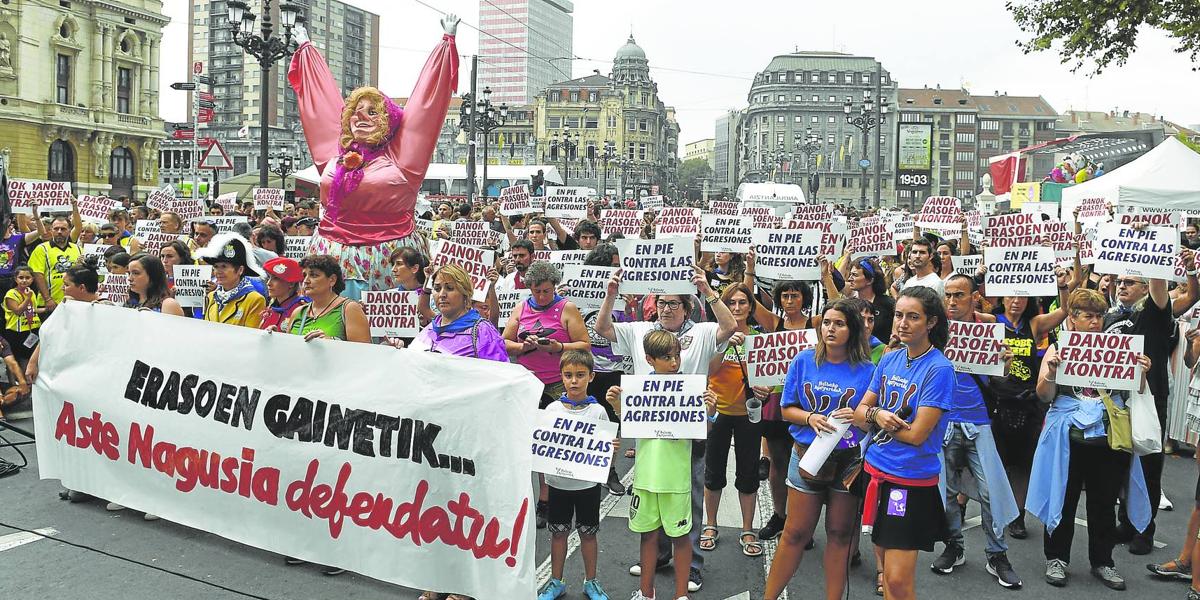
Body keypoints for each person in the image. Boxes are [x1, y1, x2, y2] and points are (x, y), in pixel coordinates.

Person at [288, 13, 460, 297]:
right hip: (330, 257)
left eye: (372, 111)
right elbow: (320, 104)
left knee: (385, 336)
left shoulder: (404, 158)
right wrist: (306, 51)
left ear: (388, 120)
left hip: (389, 260)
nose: (361, 116)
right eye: (356, 111)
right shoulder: (336, 154)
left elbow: (426, 108)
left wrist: (445, 45)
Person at [595, 266, 736, 594]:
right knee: (653, 497)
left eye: (674, 304)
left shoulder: (701, 332)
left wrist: (708, 290)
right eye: (661, 303)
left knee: (691, 500)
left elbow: (729, 326)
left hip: (688, 435)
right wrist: (611, 294)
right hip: (650, 436)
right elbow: (602, 329)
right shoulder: (640, 330)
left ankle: (693, 567)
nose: (666, 309)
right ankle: (657, 558)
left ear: (687, 308)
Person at [1027, 288, 1153, 591]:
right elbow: (1044, 395)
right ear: (1073, 318)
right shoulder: (1059, 348)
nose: (1095, 322)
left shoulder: (1119, 351)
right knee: (1063, 498)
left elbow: (1132, 391)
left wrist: (1142, 372)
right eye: (1088, 316)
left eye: (1099, 316)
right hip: (1068, 440)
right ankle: (1056, 558)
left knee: (1104, 503)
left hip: (1107, 440)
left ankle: (1103, 561)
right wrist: (1052, 372)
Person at [763, 298, 875, 600]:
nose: (831, 329)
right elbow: (786, 409)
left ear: (852, 329)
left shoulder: (868, 370)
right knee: (795, 533)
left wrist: (859, 416)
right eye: (826, 322)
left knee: (839, 535)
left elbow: (869, 422)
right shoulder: (803, 360)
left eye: (839, 323)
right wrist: (811, 417)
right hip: (806, 455)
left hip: (848, 459)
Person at [852, 286, 956, 600]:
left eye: (913, 317)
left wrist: (876, 417)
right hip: (875, 473)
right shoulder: (890, 359)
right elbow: (858, 414)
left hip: (908, 481)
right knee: (884, 571)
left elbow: (916, 435)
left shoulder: (940, 369)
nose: (903, 323)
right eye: (899, 315)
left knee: (897, 581)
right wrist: (877, 414)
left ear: (931, 323)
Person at [931, 274, 1022, 588]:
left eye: (960, 295)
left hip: (978, 421)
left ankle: (997, 554)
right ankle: (954, 546)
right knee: (944, 493)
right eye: (949, 295)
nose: (953, 301)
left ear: (974, 298)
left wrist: (1005, 365)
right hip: (941, 422)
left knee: (990, 492)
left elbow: (999, 381)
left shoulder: (990, 333)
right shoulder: (932, 332)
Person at [611, 330, 694, 600]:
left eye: (677, 356)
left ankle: (681, 595)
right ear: (649, 359)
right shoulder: (638, 390)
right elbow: (632, 423)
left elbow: (702, 429)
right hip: (646, 476)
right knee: (647, 537)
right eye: (666, 357)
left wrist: (711, 411)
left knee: (681, 538)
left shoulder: (689, 390)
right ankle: (647, 593)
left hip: (676, 478)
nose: (674, 362)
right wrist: (617, 405)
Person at [537, 351, 614, 600]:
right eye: (568, 375)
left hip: (587, 485)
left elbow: (604, 454)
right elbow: (543, 447)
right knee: (558, 534)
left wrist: (610, 448)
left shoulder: (598, 412)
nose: (574, 381)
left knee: (588, 534)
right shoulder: (551, 409)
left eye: (580, 375)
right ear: (561, 376)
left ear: (591, 377)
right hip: (558, 484)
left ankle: (591, 581)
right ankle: (556, 581)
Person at [700, 284, 764, 557]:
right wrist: (724, 343)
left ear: (751, 306)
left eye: (742, 303)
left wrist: (765, 391)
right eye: (732, 303)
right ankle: (710, 524)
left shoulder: (761, 337)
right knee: (713, 472)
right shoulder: (714, 335)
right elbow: (707, 369)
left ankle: (747, 528)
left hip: (749, 414)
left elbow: (770, 378)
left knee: (748, 474)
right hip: (719, 413)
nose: (737, 308)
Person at [503, 261, 590, 407]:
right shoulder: (520, 308)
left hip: (560, 383)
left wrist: (559, 347)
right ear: (529, 287)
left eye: (547, 291)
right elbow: (503, 343)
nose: (542, 297)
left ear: (554, 286)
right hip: (527, 381)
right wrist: (523, 347)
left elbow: (585, 345)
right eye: (537, 291)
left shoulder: (567, 308)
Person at [410, 264, 507, 360]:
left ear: (465, 294)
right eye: (437, 289)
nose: (442, 294)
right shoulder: (430, 328)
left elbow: (498, 372)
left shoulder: (482, 331)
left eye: (450, 288)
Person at [286, 255, 369, 343]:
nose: (306, 281)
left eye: (313, 275)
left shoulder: (349, 309)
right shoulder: (298, 312)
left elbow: (363, 352)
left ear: (332, 280)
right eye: (304, 275)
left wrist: (330, 342)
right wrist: (275, 337)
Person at [196, 233, 267, 328]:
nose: (218, 272)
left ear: (240, 270)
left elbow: (251, 337)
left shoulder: (255, 300)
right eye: (216, 267)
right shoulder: (211, 296)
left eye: (224, 267)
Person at [28, 215, 82, 311]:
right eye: (56, 229)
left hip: (74, 302)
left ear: (69, 230)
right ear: (51, 230)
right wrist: (47, 298)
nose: (59, 232)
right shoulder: (42, 249)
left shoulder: (78, 248)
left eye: (63, 229)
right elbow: (37, 275)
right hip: (49, 303)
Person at [2, 265, 45, 365]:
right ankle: (16, 380)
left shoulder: (31, 292)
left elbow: (33, 310)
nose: (24, 280)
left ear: (32, 279)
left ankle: (28, 379)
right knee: (17, 359)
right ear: (15, 279)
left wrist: (49, 309)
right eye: (21, 278)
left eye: (28, 278)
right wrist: (27, 298)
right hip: (16, 332)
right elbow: (18, 311)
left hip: (31, 329)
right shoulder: (11, 294)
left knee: (31, 358)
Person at [258, 256, 306, 332]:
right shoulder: (271, 308)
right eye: (269, 278)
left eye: (276, 278)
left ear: (291, 284)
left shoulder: (301, 310)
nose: (268, 283)